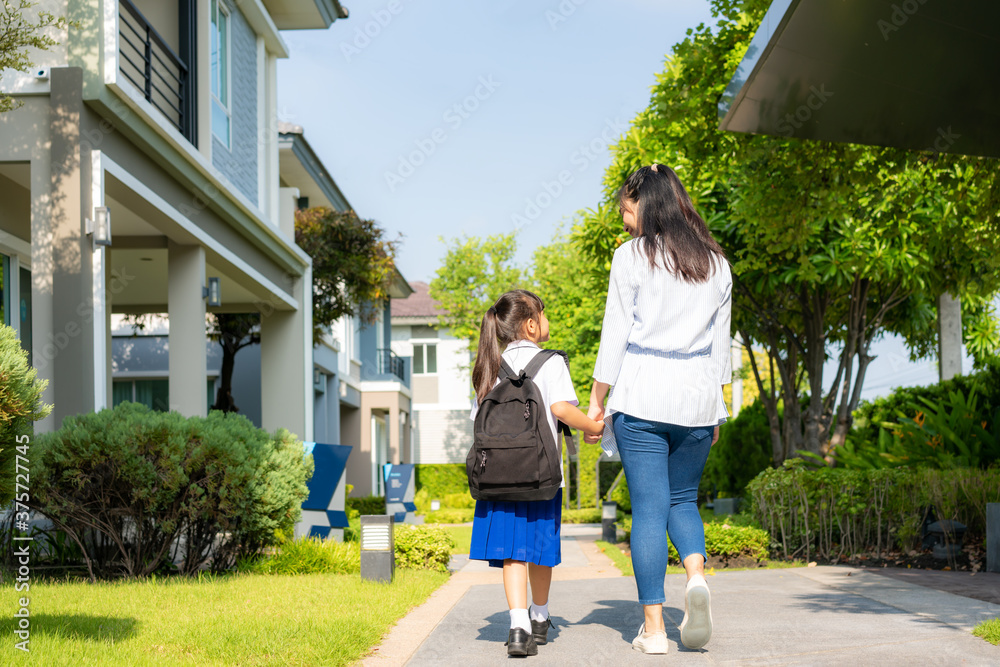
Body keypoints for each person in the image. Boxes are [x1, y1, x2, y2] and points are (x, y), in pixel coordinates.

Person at [585, 164, 732, 655]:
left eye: (626, 210)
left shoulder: (630, 257)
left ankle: (654, 630)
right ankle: (696, 577)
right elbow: (721, 349)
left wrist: (597, 400)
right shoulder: (717, 264)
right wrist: (718, 407)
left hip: (643, 393)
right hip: (697, 397)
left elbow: (615, 335)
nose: (624, 221)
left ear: (644, 204)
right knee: (683, 500)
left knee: (648, 509)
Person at [468, 289, 606, 657]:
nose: (546, 321)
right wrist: (593, 427)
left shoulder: (488, 366)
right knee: (539, 550)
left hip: (498, 476)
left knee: (512, 552)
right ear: (531, 325)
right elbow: (561, 408)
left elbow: (477, 420)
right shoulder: (551, 362)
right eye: (543, 315)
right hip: (543, 475)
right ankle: (540, 618)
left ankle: (517, 626)